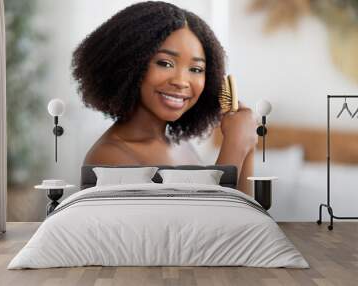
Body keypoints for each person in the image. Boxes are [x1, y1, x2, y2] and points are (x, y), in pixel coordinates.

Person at [71, 1, 257, 195]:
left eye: (196, 69)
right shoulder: (109, 157)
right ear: (129, 64)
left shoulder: (180, 145)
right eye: (165, 63)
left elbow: (242, 213)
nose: (181, 81)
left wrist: (248, 146)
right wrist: (235, 145)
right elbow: (205, 221)